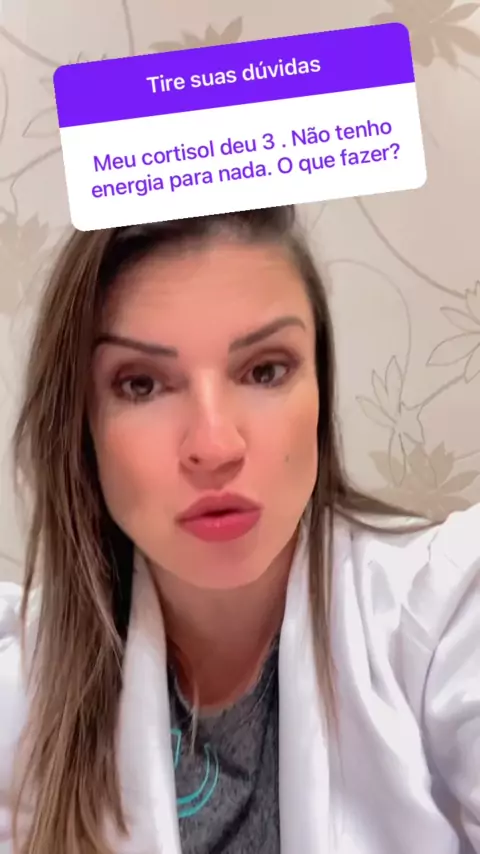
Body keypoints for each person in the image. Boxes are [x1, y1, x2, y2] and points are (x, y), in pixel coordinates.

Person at [0, 205, 479, 854]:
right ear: (82, 428)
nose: (215, 446)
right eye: (142, 385)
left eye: (265, 371)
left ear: (320, 393)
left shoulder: (444, 619)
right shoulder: (20, 691)